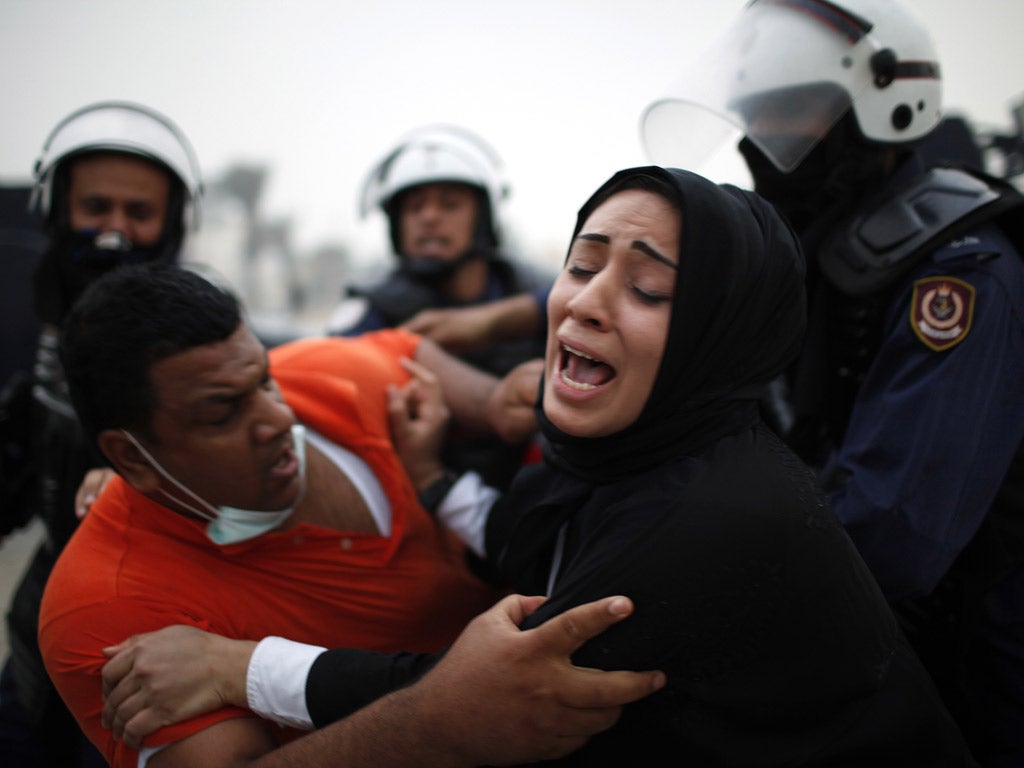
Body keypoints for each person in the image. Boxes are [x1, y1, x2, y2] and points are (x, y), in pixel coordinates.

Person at [101, 166, 976, 765]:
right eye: (583, 264)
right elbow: (530, 548)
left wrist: (236, 667)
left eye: (649, 289)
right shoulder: (618, 456)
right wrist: (433, 476)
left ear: (724, 333)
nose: (586, 304)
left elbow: (484, 692)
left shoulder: (718, 514)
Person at [37, 262, 661, 767]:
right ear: (131, 457)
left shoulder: (327, 372)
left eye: (264, 379)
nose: (279, 417)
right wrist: (438, 724)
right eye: (224, 412)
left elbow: (408, 351)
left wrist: (494, 400)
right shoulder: (107, 607)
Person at [640, 1, 1024, 764]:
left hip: (981, 667)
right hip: (883, 645)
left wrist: (674, 576)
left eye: (795, 114)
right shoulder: (826, 257)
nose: (769, 143)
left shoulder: (958, 274)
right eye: (759, 120)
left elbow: (891, 536)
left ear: (885, 108)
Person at [0, 100, 203, 768]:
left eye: (138, 214)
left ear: (171, 223)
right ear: (58, 209)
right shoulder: (22, 320)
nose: (114, 232)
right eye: (97, 208)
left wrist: (155, 482)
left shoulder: (208, 334)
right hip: (39, 632)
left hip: (153, 648)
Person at [329, 124, 553, 490]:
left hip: (533, 489)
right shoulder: (370, 304)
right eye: (415, 206)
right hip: (420, 496)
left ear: (483, 218)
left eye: (450, 203)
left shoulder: (533, 284)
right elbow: (333, 367)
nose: (429, 217)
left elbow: (586, 298)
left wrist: (490, 322)